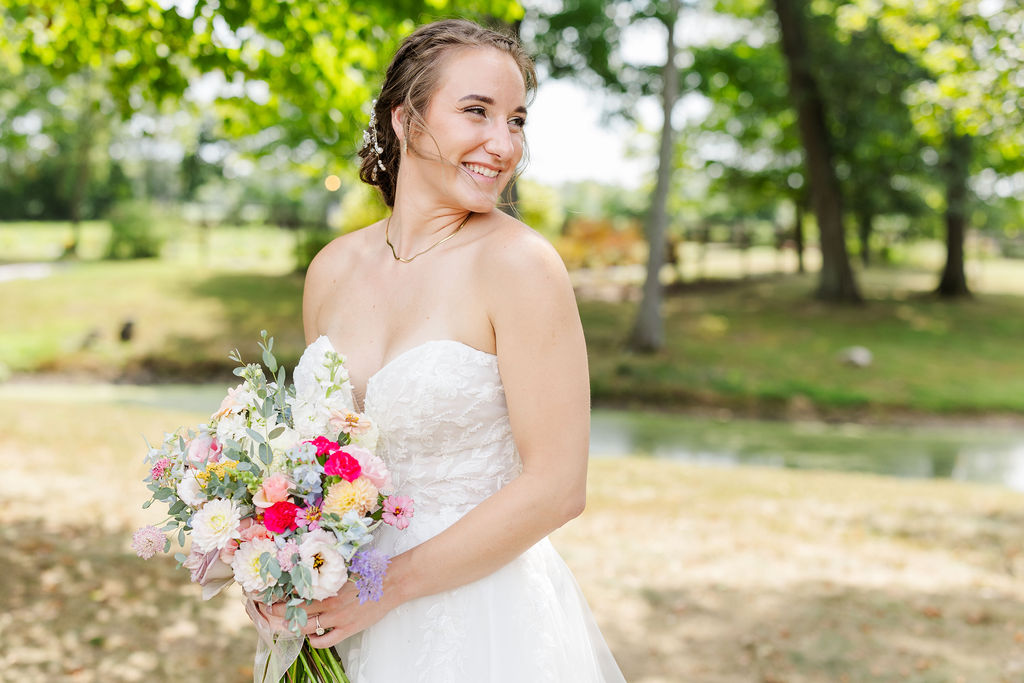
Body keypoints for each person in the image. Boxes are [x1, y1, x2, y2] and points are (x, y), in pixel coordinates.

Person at [255, 18, 626, 682]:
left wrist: (382, 586)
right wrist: (273, 561)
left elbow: (558, 487)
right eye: (476, 112)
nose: (503, 143)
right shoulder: (332, 268)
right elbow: (316, 459)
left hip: (476, 620)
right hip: (333, 609)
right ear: (404, 119)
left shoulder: (520, 266)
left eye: (516, 120)